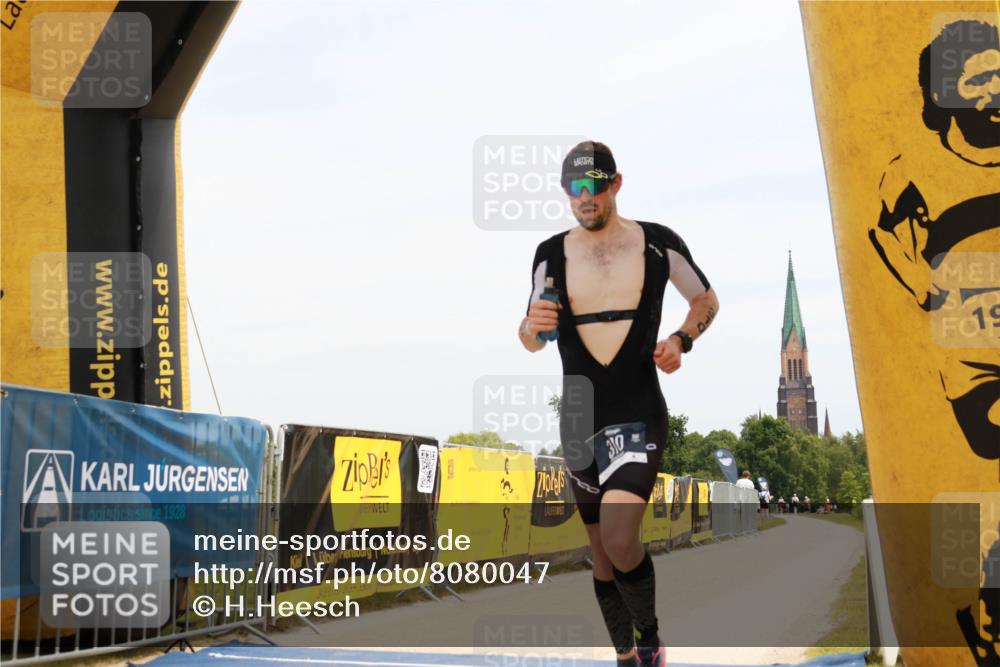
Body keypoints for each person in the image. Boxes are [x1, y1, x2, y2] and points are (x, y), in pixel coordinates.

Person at [520, 141, 719, 667]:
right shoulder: (549, 253)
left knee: (619, 535)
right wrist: (529, 328)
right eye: (575, 190)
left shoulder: (656, 243)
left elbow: (705, 299)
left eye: (596, 186)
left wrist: (681, 340)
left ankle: (650, 639)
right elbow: (530, 334)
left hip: (637, 408)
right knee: (601, 555)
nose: (586, 198)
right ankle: (625, 655)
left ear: (617, 184)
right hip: (580, 416)